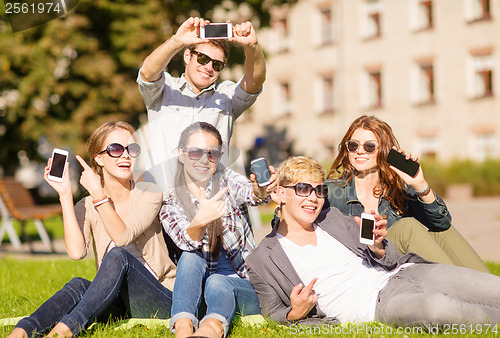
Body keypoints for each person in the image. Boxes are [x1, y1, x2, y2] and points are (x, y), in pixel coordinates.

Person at [247, 156, 500, 328]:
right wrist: (295, 312)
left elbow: (389, 258)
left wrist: (377, 245)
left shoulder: (331, 218)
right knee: (439, 309)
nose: (313, 198)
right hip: (377, 304)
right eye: (303, 188)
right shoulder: (262, 258)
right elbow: (272, 312)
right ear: (280, 193)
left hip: (407, 273)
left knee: (492, 288)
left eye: (320, 190)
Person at [8, 122, 176, 338]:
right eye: (116, 149)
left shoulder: (150, 192)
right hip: (118, 302)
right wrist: (65, 195)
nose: (125, 155)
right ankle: (23, 330)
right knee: (79, 284)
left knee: (118, 255)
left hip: (159, 298)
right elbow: (76, 252)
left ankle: (67, 329)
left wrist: (98, 194)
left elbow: (122, 236)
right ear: (98, 158)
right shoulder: (87, 204)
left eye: (132, 149)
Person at [325, 115, 490, 273]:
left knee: (442, 233)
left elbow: (442, 224)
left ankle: (493, 292)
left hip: (398, 261)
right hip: (366, 264)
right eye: (353, 145)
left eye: (369, 146)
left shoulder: (399, 188)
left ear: (384, 150)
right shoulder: (332, 191)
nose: (360, 151)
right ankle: (465, 288)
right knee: (407, 227)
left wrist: (420, 185)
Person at [160, 122, 275, 338]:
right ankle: (183, 329)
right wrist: (200, 221)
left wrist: (261, 189)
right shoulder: (171, 200)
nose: (204, 160)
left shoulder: (227, 180)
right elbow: (185, 239)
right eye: (195, 152)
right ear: (181, 154)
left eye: (212, 154)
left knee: (217, 281)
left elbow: (251, 194)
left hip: (243, 284)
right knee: (190, 256)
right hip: (199, 290)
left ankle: (207, 332)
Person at [137, 17, 266, 193]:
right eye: (203, 58)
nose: (209, 67)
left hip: (210, 201)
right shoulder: (164, 89)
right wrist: (177, 41)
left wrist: (252, 47)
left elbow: (254, 82)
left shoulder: (226, 96)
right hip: (162, 199)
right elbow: (148, 71)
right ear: (187, 56)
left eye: (217, 64)